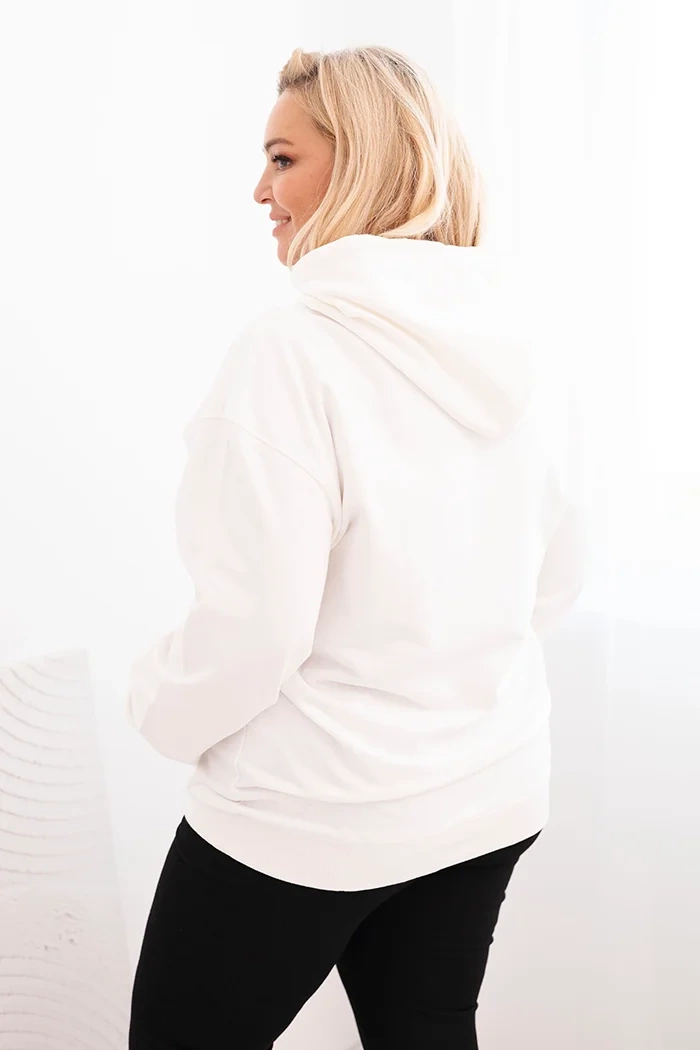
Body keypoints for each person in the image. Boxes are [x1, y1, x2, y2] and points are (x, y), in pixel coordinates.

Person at [126, 44, 589, 1050]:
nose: (260, 191)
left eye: (283, 159)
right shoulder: (520, 341)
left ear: (366, 161)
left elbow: (253, 631)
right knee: (425, 1030)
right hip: (486, 788)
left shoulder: (292, 353)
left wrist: (153, 705)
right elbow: (553, 579)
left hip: (307, 811)